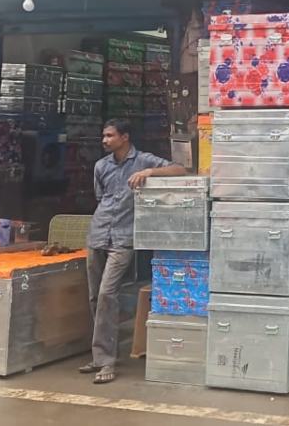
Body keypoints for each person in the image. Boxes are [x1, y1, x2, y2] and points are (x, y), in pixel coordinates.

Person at [80, 119, 187, 384]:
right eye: (104, 136)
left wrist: (150, 173)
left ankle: (106, 361)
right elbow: (100, 197)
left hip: (123, 238)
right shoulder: (101, 166)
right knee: (94, 296)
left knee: (107, 294)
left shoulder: (143, 160)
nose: (105, 140)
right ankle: (100, 355)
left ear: (124, 137)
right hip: (98, 233)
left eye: (110, 135)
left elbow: (180, 169)